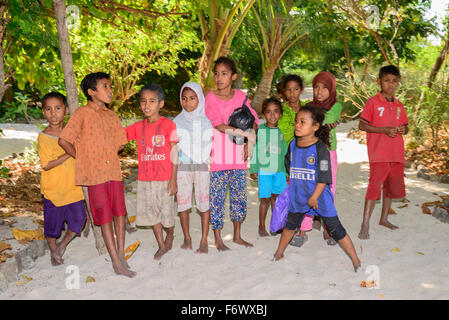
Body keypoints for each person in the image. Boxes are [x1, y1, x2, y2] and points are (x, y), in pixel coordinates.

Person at [59, 72, 136, 278]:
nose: (110, 91)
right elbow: (64, 140)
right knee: (103, 216)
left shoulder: (112, 116)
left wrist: (108, 150)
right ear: (92, 92)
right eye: (105, 87)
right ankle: (114, 260)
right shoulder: (81, 114)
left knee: (120, 213)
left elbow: (120, 143)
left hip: (113, 172)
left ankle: (121, 254)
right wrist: (82, 158)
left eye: (110, 86)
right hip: (94, 175)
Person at [273, 104, 361, 272]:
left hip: (319, 197)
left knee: (336, 228)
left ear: (315, 127)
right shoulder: (292, 145)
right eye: (296, 121)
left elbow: (324, 177)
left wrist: (314, 197)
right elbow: (289, 167)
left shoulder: (320, 149)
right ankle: (278, 253)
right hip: (299, 197)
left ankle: (355, 260)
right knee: (290, 226)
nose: (297, 125)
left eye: (302, 122)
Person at [205, 56, 259, 251]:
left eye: (224, 74)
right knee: (217, 199)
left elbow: (254, 120)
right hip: (218, 158)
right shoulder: (210, 98)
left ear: (233, 76)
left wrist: (249, 141)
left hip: (238, 159)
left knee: (239, 198)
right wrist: (244, 134)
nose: (219, 78)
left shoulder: (242, 97)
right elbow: (218, 124)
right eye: (216, 74)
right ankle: (218, 238)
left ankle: (237, 235)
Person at [125, 84, 178, 260]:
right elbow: (118, 137)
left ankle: (169, 233)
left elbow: (174, 153)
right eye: (143, 101)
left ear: (161, 104)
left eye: (152, 101)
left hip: (164, 179)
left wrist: (173, 179)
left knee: (167, 214)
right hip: (145, 179)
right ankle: (161, 245)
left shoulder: (169, 125)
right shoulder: (137, 127)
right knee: (152, 213)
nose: (147, 105)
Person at [358, 65, 408, 240]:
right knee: (374, 186)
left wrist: (403, 129)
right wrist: (384, 130)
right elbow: (362, 125)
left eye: (394, 81)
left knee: (391, 187)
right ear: (379, 82)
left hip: (397, 153)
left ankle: (384, 219)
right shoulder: (373, 102)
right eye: (387, 80)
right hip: (379, 153)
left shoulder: (399, 105)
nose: (391, 84)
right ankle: (365, 224)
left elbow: (406, 127)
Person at [293, 71, 343, 247]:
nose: (319, 91)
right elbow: (305, 120)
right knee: (307, 186)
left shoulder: (336, 106)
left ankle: (329, 228)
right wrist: (321, 122)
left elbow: (325, 118)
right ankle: (303, 228)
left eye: (324, 87)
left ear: (332, 89)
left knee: (328, 187)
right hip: (310, 151)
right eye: (316, 87)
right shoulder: (308, 105)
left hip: (328, 152)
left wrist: (316, 120)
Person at [38, 92, 86, 266]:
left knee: (80, 219)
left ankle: (62, 245)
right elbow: (47, 165)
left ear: (66, 110)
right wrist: (69, 152)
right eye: (48, 109)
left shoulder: (72, 133)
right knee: (52, 227)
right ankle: (53, 251)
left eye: (58, 108)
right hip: (54, 190)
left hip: (74, 188)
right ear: (43, 112)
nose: (53, 113)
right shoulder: (43, 137)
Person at [174, 81, 212, 253]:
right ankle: (187, 238)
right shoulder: (176, 121)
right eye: (184, 98)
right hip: (182, 168)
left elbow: (210, 145)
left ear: (200, 100)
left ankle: (204, 240)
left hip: (202, 167)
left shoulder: (206, 121)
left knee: (204, 203)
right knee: (183, 203)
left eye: (192, 98)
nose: (187, 102)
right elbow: (173, 147)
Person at [249, 97, 288, 237]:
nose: (272, 115)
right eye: (268, 112)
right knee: (265, 199)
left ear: (280, 114)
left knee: (276, 199)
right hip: (265, 171)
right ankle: (261, 226)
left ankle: (276, 225)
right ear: (263, 114)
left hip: (279, 172)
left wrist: (285, 171)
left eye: (276, 112)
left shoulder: (282, 133)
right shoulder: (261, 131)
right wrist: (253, 169)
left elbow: (284, 153)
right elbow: (255, 151)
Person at [277, 74, 305, 147]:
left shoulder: (308, 108)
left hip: (305, 151)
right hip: (284, 152)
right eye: (288, 90)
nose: (292, 93)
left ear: (301, 90)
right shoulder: (279, 110)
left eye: (296, 89)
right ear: (284, 91)